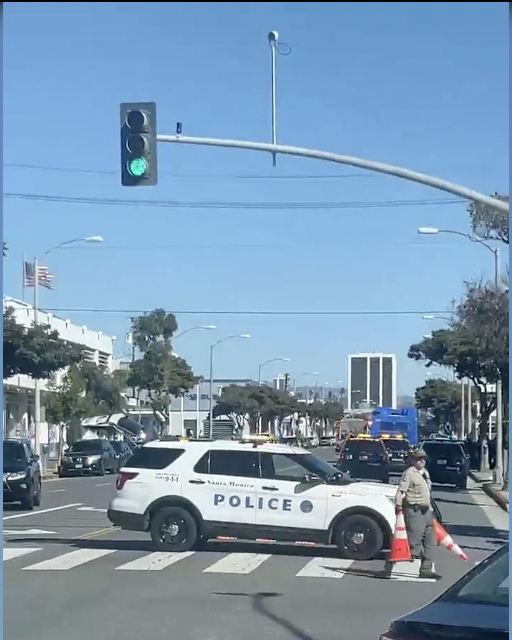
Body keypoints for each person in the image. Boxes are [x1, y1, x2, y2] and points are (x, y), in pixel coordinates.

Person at [394, 449, 439, 579]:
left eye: (423, 458)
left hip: (427, 511)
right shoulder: (409, 474)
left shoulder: (425, 473)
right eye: (419, 459)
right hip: (414, 510)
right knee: (415, 541)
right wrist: (398, 506)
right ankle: (409, 555)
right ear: (413, 460)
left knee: (431, 542)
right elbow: (401, 492)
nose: (422, 461)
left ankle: (426, 569)